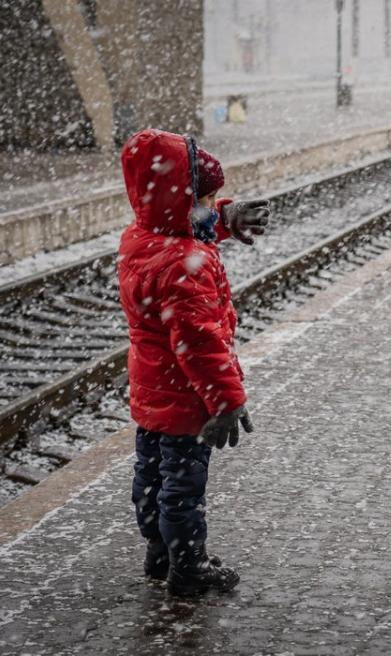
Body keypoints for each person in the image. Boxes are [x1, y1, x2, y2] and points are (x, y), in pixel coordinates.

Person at [118, 128, 270, 596]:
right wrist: (226, 401)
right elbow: (200, 344)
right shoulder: (188, 263)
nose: (212, 207)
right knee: (184, 488)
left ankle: (159, 554)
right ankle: (188, 568)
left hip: (151, 391)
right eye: (208, 199)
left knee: (150, 476)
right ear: (181, 201)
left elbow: (185, 224)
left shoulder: (141, 238)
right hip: (186, 398)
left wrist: (225, 217)